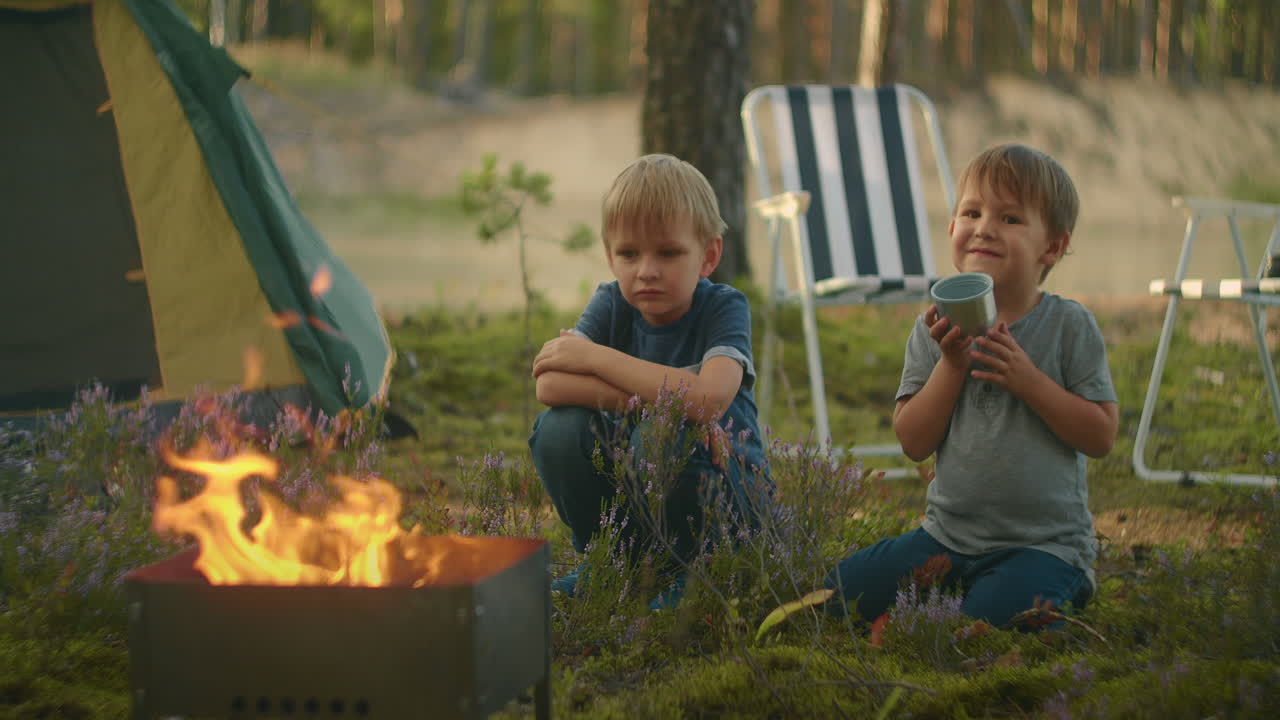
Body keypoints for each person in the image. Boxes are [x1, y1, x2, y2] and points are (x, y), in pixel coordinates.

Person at [825, 143, 1119, 628]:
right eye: (972, 213)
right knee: (835, 593)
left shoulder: (1069, 325)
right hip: (945, 540)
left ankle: (1033, 595)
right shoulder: (933, 330)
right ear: (952, 230)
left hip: (1043, 546)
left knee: (983, 623)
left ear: (1053, 246)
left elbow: (1101, 436)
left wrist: (1029, 382)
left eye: (1010, 219)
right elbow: (914, 442)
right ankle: (954, 598)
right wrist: (952, 365)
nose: (984, 227)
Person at [528, 153, 771, 609]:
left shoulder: (723, 308)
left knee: (663, 433)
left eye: (668, 252)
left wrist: (596, 358)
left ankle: (699, 572)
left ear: (709, 255)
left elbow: (709, 400)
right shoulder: (611, 304)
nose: (646, 270)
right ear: (609, 256)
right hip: (643, 497)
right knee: (560, 429)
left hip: (729, 509)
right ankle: (614, 561)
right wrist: (659, 399)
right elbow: (551, 387)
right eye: (629, 253)